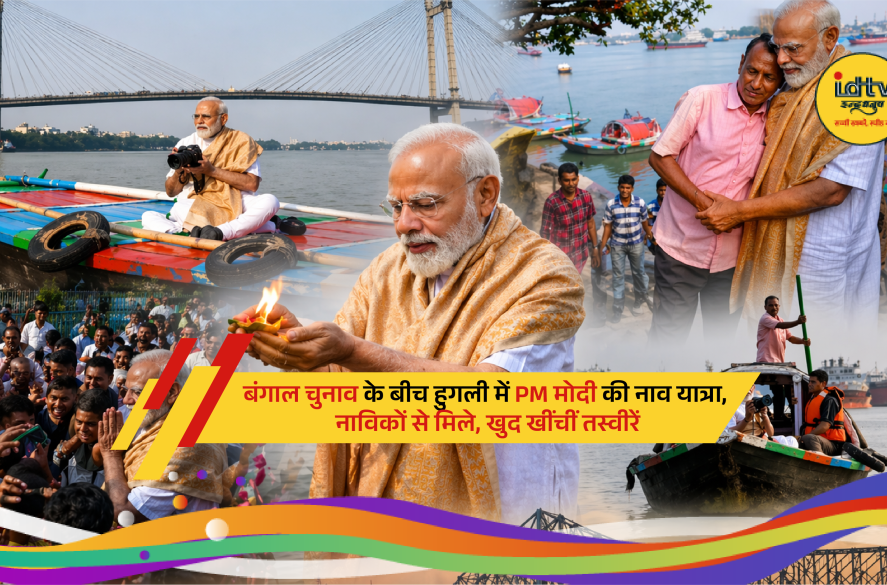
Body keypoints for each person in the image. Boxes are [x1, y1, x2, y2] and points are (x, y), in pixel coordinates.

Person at [239, 123, 584, 525]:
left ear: (485, 194)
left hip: (509, 514)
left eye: (424, 204)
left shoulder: (543, 274)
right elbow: (337, 369)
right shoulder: (386, 269)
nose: (404, 224)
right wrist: (295, 346)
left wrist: (351, 351)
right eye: (397, 207)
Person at [699, 0, 885, 334]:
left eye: (793, 49)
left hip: (823, 258)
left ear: (829, 38)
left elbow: (831, 191)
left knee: (818, 349)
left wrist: (740, 211)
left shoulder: (859, 97)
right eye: (778, 47)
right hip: (778, 247)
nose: (782, 60)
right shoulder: (796, 83)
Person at [648, 34, 784, 344]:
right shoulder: (701, 99)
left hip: (732, 259)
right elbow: (659, 156)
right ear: (740, 64)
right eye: (752, 71)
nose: (757, 83)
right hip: (680, 250)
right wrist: (704, 204)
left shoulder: (776, 120)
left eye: (769, 77)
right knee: (667, 340)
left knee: (720, 344)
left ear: (779, 83)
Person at [97, 349, 247, 523]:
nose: (127, 400)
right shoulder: (156, 418)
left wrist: (110, 454)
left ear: (172, 392)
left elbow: (125, 514)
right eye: (126, 390)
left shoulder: (186, 445)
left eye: (137, 392)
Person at [141, 96, 281, 241]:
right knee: (151, 215)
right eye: (196, 116)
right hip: (197, 200)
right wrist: (179, 171)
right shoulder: (185, 142)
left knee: (271, 201)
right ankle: (260, 227)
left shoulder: (241, 141)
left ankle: (218, 232)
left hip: (236, 199)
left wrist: (211, 171)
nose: (199, 121)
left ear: (223, 118)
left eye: (206, 116)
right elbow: (171, 192)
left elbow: (252, 184)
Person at [599, 175, 654, 322]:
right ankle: (618, 309)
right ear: (618, 188)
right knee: (618, 277)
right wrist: (602, 246)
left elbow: (644, 222)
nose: (625, 190)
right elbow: (608, 227)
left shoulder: (640, 203)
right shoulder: (611, 204)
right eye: (622, 187)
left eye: (628, 188)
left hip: (636, 244)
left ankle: (639, 302)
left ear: (632, 189)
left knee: (639, 273)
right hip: (617, 245)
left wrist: (650, 237)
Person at [539, 162, 600, 274]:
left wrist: (595, 248)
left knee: (576, 285)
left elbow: (590, 223)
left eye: (574, 180)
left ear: (578, 179)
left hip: (580, 254)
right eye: (567, 180)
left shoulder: (586, 197)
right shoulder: (552, 201)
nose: (571, 184)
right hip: (560, 257)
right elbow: (544, 231)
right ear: (560, 181)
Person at [54, 389, 111, 488]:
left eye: (91, 424)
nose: (83, 429)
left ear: (106, 422)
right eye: (79, 422)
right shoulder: (75, 441)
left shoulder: (108, 450)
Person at [797, 370, 845, 456]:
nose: (809, 384)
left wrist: (804, 437)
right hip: (819, 440)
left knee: (809, 438)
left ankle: (820, 463)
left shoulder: (829, 400)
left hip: (833, 444)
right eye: (809, 381)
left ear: (823, 383)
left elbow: (825, 426)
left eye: (813, 382)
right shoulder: (812, 398)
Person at [0, 325, 46, 390]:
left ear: (19, 338)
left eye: (14, 338)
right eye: (8, 338)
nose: (11, 341)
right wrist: (4, 365)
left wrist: (25, 363)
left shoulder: (32, 363)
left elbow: (41, 382)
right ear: (3, 338)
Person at [756, 296, 810, 363]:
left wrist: (802, 341)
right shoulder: (765, 318)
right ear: (765, 307)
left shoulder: (781, 320)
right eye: (771, 305)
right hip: (766, 361)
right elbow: (781, 325)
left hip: (779, 362)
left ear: (779, 306)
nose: (774, 308)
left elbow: (790, 338)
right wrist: (798, 322)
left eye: (776, 305)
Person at [36, 376, 79, 457]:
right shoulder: (37, 418)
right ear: (46, 399)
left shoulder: (79, 421)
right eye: (53, 398)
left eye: (64, 399)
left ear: (75, 399)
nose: (58, 404)